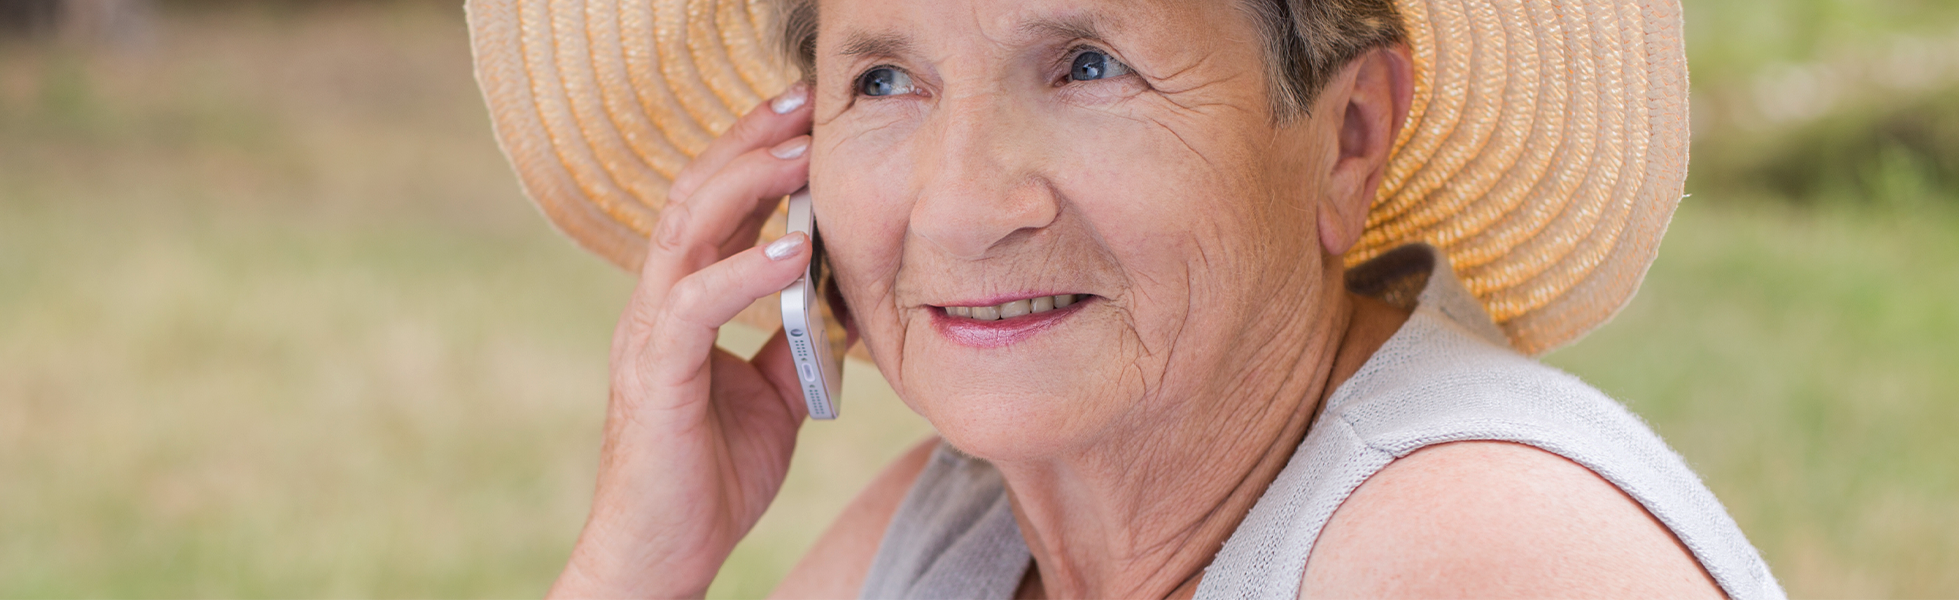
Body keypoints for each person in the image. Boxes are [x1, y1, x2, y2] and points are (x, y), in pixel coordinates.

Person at [467, 0, 1786, 596]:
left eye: (1089, 62)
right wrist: (638, 566)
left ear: (1346, 137)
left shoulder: (1473, 554)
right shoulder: (949, 539)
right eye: (883, 78)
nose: (966, 201)